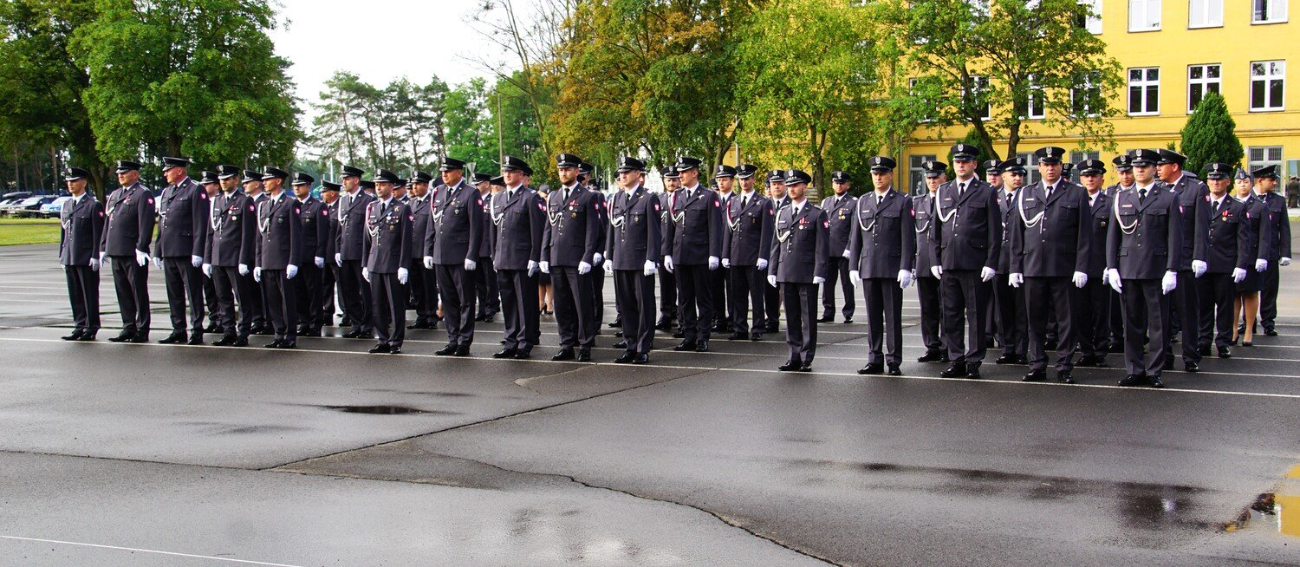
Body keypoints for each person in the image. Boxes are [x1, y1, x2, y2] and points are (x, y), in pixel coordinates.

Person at [1007, 146, 1090, 384]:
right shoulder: (1026, 194)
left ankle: (1064, 365)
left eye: (1055, 164)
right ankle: (1037, 364)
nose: (1050, 168)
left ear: (1061, 166)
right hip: (1033, 267)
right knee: (1035, 320)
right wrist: (1015, 267)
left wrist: (1081, 266)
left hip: (1064, 268)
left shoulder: (1076, 193)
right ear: (1040, 167)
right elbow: (1017, 235)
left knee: (1067, 320)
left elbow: (1084, 235)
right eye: (1046, 164)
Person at [1106, 149, 1182, 388]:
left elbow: (1175, 237)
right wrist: (1112, 267)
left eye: (1145, 166)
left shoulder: (1168, 197)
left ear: (1154, 169)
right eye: (1136, 167)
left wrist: (1172, 269)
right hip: (1128, 269)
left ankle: (1154, 371)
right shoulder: (1121, 198)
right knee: (1132, 323)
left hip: (1156, 270)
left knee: (1158, 324)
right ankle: (1134, 369)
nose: (1139, 170)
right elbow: (1113, 237)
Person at [930, 144, 1001, 379]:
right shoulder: (943, 191)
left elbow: (994, 231)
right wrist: (935, 259)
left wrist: (991, 262)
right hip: (949, 262)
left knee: (977, 315)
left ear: (974, 164)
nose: (960, 165)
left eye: (965, 161)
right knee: (950, 314)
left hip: (975, 263)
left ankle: (974, 361)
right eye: (957, 161)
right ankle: (956, 359)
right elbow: (935, 230)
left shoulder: (986, 191)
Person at [847, 157, 914, 375]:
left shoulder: (902, 201)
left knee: (892, 317)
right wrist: (853, 266)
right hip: (869, 266)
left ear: (890, 175)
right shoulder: (863, 201)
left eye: (882, 174)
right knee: (873, 316)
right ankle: (874, 358)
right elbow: (856, 236)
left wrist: (906, 266)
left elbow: (908, 237)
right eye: (875, 174)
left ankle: (894, 361)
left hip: (891, 267)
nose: (878, 178)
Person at [541, 153, 603, 362]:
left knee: (582, 303)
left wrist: (587, 256)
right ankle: (566, 343)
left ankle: (585, 344)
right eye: (560, 170)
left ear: (577, 172)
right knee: (562, 305)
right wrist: (544, 255)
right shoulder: (554, 196)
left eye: (567, 169)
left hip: (577, 260)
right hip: (557, 257)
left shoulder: (587, 196)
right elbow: (548, 228)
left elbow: (592, 230)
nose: (563, 173)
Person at [768, 169, 829, 372]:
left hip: (806, 273)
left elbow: (822, 246)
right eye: (790, 185)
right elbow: (776, 243)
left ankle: (806, 357)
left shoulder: (816, 214)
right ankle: (793, 355)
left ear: (805, 187)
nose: (792, 189)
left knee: (808, 317)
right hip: (786, 271)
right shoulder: (782, 213)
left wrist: (820, 271)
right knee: (791, 316)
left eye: (796, 185)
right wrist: (772, 269)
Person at [662, 156, 723, 353]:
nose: (680, 175)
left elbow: (715, 227)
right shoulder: (676, 196)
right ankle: (688, 335)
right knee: (685, 298)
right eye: (679, 172)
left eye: (684, 172)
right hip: (680, 254)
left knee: (703, 298)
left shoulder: (708, 196)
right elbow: (672, 226)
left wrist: (714, 254)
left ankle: (703, 336)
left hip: (700, 254)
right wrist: (668, 253)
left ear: (694, 173)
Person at [1157, 149, 1209, 372]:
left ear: (1175, 167)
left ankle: (1190, 356)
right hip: (1160, 262)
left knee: (1187, 312)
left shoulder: (1196, 189)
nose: (1157, 169)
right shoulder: (1158, 190)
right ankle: (1165, 356)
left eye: (1162, 165)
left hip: (1186, 261)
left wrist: (1200, 256)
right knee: (1162, 314)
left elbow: (1201, 226)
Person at [423, 157, 482, 357]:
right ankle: (452, 339)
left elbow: (476, 227)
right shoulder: (437, 193)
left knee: (465, 300)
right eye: (442, 172)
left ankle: (464, 341)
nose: (444, 175)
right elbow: (432, 224)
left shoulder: (470, 193)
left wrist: (472, 254)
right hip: (441, 255)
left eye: (448, 171)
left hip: (460, 256)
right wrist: (428, 250)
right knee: (448, 301)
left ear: (459, 172)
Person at [605, 156, 661, 364]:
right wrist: (609, 255)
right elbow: (612, 228)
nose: (623, 174)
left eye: (627, 171)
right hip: (621, 259)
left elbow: (654, 232)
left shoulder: (648, 198)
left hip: (640, 260)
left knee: (644, 306)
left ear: (638, 174)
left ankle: (643, 348)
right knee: (626, 306)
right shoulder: (616, 199)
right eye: (621, 172)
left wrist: (651, 258)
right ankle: (630, 345)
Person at [1195, 163, 1253, 360]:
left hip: (1225, 265)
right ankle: (1203, 341)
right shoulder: (1200, 204)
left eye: (1220, 179)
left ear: (1228, 182)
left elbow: (1243, 239)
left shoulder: (1237, 207)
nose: (1215, 183)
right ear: (1207, 182)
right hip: (1202, 264)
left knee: (1225, 306)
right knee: (1203, 306)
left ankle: (1223, 342)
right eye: (1212, 179)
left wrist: (1241, 264)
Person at [490, 156, 546, 359]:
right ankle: (511, 339)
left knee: (525, 302)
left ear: (521, 175)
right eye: (505, 171)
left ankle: (525, 340)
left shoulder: (531, 198)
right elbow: (493, 230)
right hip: (503, 258)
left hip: (523, 259)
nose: (507, 174)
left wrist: (535, 257)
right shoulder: (497, 198)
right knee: (508, 302)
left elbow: (537, 231)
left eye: (511, 171)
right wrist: (493, 254)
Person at [152, 157, 209, 345]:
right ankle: (178, 329)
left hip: (186, 250)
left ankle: (196, 330)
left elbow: (201, 223)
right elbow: (163, 223)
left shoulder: (195, 189)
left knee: (193, 293)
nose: (165, 173)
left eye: (168, 170)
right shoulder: (167, 192)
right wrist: (158, 250)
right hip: (169, 250)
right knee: (174, 293)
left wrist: (198, 251)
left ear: (179, 171)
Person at [101, 160, 155, 343]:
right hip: (116, 249)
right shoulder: (115, 195)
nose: (120, 175)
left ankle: (142, 328)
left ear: (135, 174)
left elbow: (146, 223)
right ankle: (128, 326)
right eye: (118, 173)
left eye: (124, 172)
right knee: (122, 291)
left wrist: (142, 246)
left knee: (138, 291)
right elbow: (108, 223)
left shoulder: (142, 194)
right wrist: (103, 247)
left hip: (133, 251)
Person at [205, 165, 258, 347]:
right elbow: (210, 233)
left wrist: (244, 259)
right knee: (223, 297)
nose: (223, 182)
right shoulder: (216, 201)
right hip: (218, 257)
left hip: (235, 258)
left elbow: (248, 234)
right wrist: (207, 258)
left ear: (236, 180)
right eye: (221, 179)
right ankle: (228, 331)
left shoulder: (245, 201)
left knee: (242, 297)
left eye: (227, 179)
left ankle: (243, 332)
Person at [360, 169, 412, 354]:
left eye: (382, 184)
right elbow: (367, 239)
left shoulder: (402, 208)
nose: (378, 187)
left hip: (392, 264)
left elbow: (406, 240)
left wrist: (404, 266)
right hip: (374, 263)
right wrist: (365, 263)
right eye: (376, 184)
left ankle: (396, 341)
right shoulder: (371, 207)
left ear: (391, 187)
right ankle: (382, 339)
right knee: (376, 304)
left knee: (395, 305)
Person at [722, 163, 773, 341]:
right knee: (737, 295)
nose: (744, 182)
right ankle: (740, 327)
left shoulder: (763, 203)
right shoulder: (733, 202)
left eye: (747, 178)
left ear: (753, 179)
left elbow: (767, 233)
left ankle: (758, 327)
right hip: (736, 255)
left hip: (753, 257)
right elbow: (728, 230)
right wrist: (725, 254)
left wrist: (763, 255)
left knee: (757, 295)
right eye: (741, 179)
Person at [255, 167, 303, 349]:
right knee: (272, 300)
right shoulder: (264, 205)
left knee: (287, 300)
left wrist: (293, 261)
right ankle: (278, 333)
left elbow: (295, 236)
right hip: (268, 259)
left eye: (268, 180)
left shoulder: (290, 204)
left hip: (283, 260)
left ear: (278, 181)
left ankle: (290, 335)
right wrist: (258, 262)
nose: (264, 183)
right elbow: (260, 237)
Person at [1074, 159, 1113, 368]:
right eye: (1086, 176)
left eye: (1094, 176)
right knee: (1081, 311)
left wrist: (1111, 265)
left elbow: (1113, 237)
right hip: (1078, 267)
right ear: (1081, 179)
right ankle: (1086, 350)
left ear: (1101, 179)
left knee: (1100, 313)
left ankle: (1100, 351)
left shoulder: (1110, 202)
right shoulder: (1074, 201)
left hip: (1100, 266)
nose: (1090, 179)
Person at [59, 167, 104, 342]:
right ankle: (79, 325)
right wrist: (62, 255)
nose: (70, 184)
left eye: (74, 181)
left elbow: (97, 233)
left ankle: (91, 326)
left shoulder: (93, 205)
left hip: (86, 257)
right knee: (75, 294)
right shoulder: (67, 205)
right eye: (69, 181)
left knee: (89, 294)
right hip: (70, 255)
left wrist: (95, 255)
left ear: (83, 183)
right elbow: (63, 232)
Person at [992, 158, 1027, 365]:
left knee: (1021, 308)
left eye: (1020, 174)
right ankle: (1007, 348)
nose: (1017, 178)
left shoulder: (1028, 197)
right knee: (1002, 308)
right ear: (1003, 176)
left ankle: (1022, 349)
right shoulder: (993, 197)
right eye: (1013, 174)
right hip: (999, 261)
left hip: (1021, 261)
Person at [334, 165, 375, 339]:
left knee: (365, 292)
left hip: (360, 253)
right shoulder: (342, 201)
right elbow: (339, 227)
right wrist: (337, 249)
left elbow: (370, 231)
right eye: (343, 179)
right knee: (348, 292)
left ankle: (367, 325)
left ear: (356, 180)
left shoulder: (367, 200)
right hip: (345, 252)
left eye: (347, 179)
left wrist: (369, 256)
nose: (344, 182)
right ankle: (356, 323)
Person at [914, 161, 947, 363]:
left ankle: (947, 346)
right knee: (928, 309)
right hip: (924, 262)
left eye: (936, 177)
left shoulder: (950, 200)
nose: (932, 181)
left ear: (944, 178)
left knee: (947, 308)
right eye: (929, 178)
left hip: (944, 261)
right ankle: (931, 346)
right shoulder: (918, 202)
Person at [1233, 169, 1271, 347]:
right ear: (1234, 185)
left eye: (1246, 182)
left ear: (1251, 184)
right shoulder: (1230, 204)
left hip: (1252, 256)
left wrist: (1262, 256)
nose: (1242, 185)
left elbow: (1265, 234)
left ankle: (1248, 329)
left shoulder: (1259, 206)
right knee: (1234, 294)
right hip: (1233, 257)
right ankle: (1233, 329)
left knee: (1250, 293)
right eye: (1239, 182)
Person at [1253, 165, 1291, 336]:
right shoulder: (1246, 199)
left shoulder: (1278, 200)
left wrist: (1286, 253)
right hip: (1251, 253)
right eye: (1271, 180)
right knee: (1249, 290)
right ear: (1260, 180)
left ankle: (1268, 321)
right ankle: (1248, 321)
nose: (1275, 182)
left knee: (1269, 289)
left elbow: (1284, 228)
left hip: (1270, 253)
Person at [1105, 155, 1136, 353]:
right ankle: (1117, 337)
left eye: (1128, 171)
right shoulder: (1110, 193)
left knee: (1133, 304)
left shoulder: (1139, 193)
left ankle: (1135, 338)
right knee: (1114, 304)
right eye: (1121, 172)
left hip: (1132, 256)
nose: (1125, 176)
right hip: (1114, 254)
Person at [292, 173, 329, 337]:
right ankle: (304, 321)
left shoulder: (317, 206)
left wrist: (320, 253)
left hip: (311, 256)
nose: (296, 188)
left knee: (314, 292)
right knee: (299, 291)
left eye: (300, 185)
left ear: (308, 187)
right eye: (294, 186)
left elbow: (322, 232)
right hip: (296, 257)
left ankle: (315, 323)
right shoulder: (292, 205)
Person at [822, 171, 857, 324]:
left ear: (847, 185)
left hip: (844, 250)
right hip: (828, 250)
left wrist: (850, 247)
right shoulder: (826, 202)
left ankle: (848, 312)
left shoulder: (853, 202)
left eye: (842, 183)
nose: (839, 185)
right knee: (827, 284)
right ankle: (828, 312)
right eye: (836, 183)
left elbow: (854, 228)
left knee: (846, 283)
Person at [406, 171, 438, 330]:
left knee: (429, 285)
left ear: (426, 185)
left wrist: (429, 251)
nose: (415, 187)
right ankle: (421, 315)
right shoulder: (410, 204)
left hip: (426, 252)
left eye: (418, 184)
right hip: (412, 252)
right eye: (414, 184)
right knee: (416, 287)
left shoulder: (433, 202)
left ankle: (432, 314)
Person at [242, 170, 271, 335]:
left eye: (248, 182)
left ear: (258, 183)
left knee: (264, 290)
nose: (245, 185)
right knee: (251, 290)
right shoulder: (245, 202)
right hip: (248, 252)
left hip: (260, 251)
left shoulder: (264, 202)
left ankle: (268, 320)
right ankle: (257, 319)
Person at [763, 170, 790, 335]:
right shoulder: (765, 204)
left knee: (787, 290)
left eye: (780, 183)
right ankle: (772, 320)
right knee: (770, 289)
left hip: (787, 252)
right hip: (769, 252)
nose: (777, 187)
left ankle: (795, 321)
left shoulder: (791, 202)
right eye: (774, 184)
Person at [711, 165, 737, 333]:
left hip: (733, 251)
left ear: (732, 181)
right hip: (715, 250)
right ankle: (719, 318)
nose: (721, 183)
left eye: (724, 179)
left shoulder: (737, 200)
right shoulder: (712, 200)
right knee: (715, 288)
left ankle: (734, 319)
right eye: (719, 180)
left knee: (733, 288)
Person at [472, 172, 500, 323]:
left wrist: (493, 249)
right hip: (475, 248)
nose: (476, 186)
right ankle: (481, 308)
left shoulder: (493, 200)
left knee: (490, 282)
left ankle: (491, 308)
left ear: (486, 184)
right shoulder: (474, 200)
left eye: (479, 183)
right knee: (479, 283)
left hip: (488, 247)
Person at [656, 166, 680, 332]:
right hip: (663, 248)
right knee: (665, 286)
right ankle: (666, 314)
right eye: (668, 180)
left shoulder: (684, 198)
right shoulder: (659, 199)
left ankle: (682, 317)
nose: (671, 183)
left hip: (680, 249)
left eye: (674, 179)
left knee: (683, 286)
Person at [320, 181, 341, 327]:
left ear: (332, 193)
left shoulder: (341, 207)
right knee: (325, 285)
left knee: (342, 285)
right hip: (324, 254)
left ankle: (347, 313)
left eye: (324, 192)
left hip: (336, 253)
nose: (322, 195)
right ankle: (327, 312)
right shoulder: (324, 209)